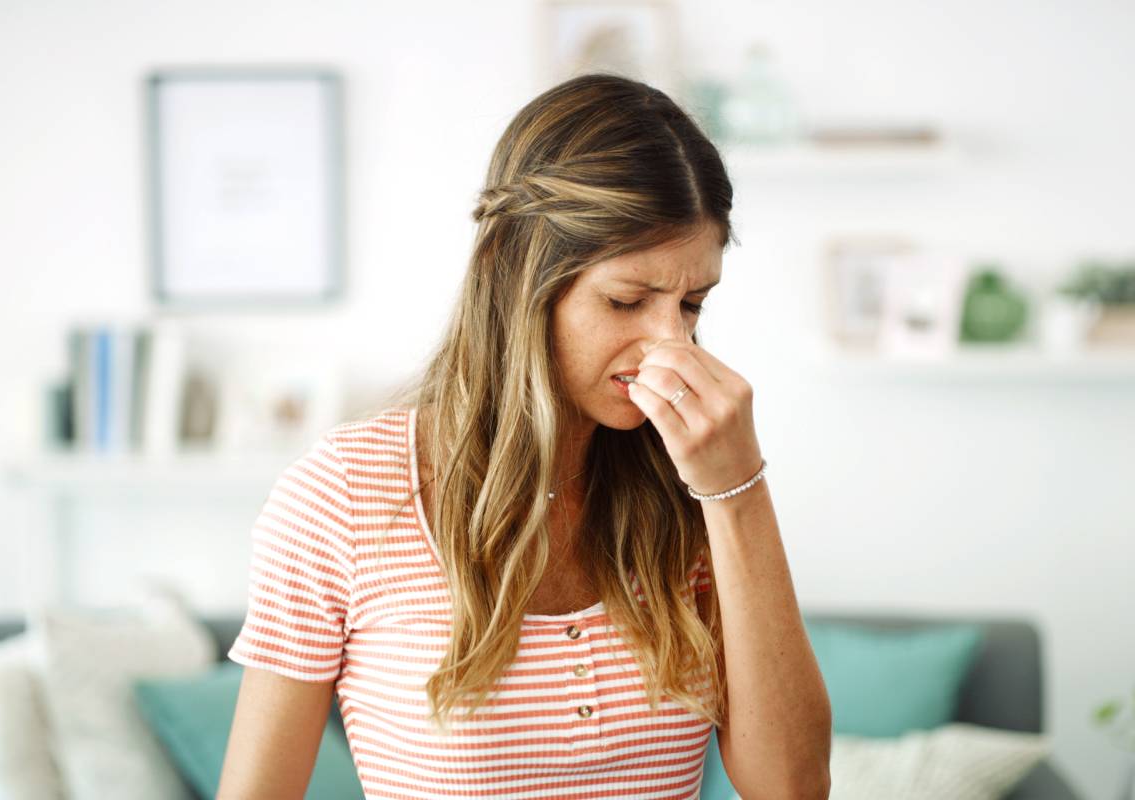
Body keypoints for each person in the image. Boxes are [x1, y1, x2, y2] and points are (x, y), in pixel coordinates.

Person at [218, 73, 831, 800]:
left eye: (692, 303)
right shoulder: (346, 496)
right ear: (520, 276)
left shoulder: (692, 485)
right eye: (627, 300)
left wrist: (736, 493)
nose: (672, 343)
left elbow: (792, 790)